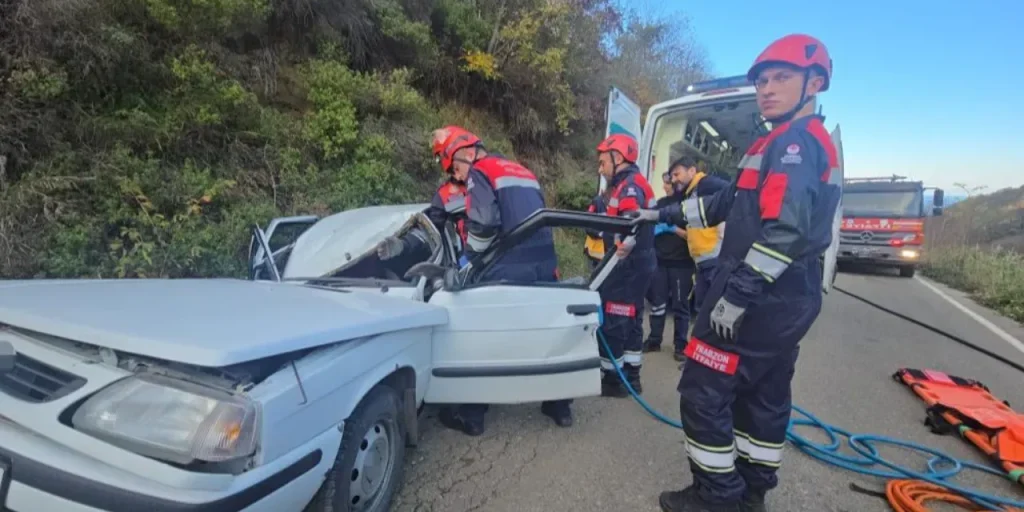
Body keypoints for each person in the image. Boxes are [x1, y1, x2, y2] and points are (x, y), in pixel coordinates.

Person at [635, 34, 841, 512]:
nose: (767, 89)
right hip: (788, 296)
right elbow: (723, 203)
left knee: (703, 389)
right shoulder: (778, 143)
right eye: (762, 81)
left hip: (762, 295)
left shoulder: (793, 143)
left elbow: (784, 231)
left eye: (781, 78)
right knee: (762, 394)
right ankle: (750, 493)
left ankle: (717, 496)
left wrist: (737, 295)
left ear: (814, 83)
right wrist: (660, 213)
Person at [430, 125, 573, 435]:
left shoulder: (480, 172)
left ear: (467, 153)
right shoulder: (523, 171)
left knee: (479, 339)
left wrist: (468, 262)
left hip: (506, 267)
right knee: (546, 335)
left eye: (454, 167)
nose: (456, 175)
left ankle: (472, 416)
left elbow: (484, 225)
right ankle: (559, 405)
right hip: (543, 265)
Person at [594, 133, 657, 397]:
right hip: (639, 265)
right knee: (631, 320)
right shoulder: (634, 183)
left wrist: (620, 252)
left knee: (615, 320)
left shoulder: (628, 187)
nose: (601, 169)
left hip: (627, 267)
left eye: (603, 162)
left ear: (617, 158)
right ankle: (632, 376)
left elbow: (632, 226)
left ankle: (613, 380)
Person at [377, 126, 470, 263]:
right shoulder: (446, 196)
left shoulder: (493, 175)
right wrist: (403, 245)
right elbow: (429, 229)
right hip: (475, 264)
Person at [673, 157, 729, 338]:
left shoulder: (706, 184)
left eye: (677, 174)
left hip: (713, 259)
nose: (674, 179)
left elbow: (731, 194)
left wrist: (725, 225)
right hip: (702, 261)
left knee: (712, 310)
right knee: (702, 309)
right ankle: (701, 348)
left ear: (692, 171)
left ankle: (712, 348)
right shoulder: (691, 192)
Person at [642, 170, 694, 361]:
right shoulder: (660, 205)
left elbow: (694, 235)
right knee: (657, 303)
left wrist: (673, 229)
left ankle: (680, 345)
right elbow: (649, 226)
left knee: (680, 305)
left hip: (682, 264)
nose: (664, 186)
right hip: (659, 261)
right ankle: (654, 340)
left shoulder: (687, 206)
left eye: (667, 183)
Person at [583, 192, 610, 272]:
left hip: (608, 251)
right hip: (594, 251)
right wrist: (599, 234)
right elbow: (587, 223)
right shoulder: (597, 201)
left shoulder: (616, 203)